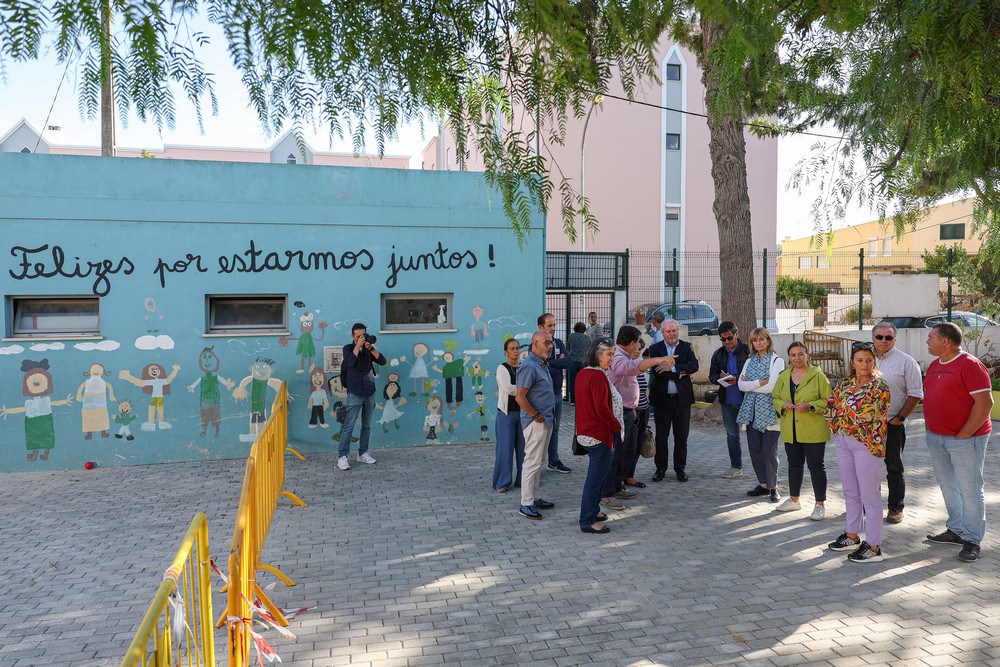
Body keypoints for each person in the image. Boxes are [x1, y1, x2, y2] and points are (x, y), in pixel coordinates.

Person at [923, 322, 992, 563]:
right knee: (948, 485)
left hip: (966, 439)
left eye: (931, 337)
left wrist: (964, 434)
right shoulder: (935, 365)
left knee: (970, 489)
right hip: (937, 437)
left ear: (945, 341)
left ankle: (972, 540)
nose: (927, 341)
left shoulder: (970, 365)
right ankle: (956, 529)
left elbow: (985, 403)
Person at [825, 341, 890, 563]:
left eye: (869, 360)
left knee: (869, 496)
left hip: (867, 445)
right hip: (843, 442)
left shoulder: (880, 386)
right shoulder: (844, 383)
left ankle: (873, 546)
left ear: (874, 362)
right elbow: (830, 406)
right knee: (850, 491)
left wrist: (842, 419)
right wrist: (837, 427)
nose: (864, 364)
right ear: (852, 362)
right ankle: (852, 535)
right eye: (860, 360)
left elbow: (867, 416)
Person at [602, 326, 673, 509]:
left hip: (627, 411)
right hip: (618, 413)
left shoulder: (623, 356)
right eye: (637, 344)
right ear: (632, 343)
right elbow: (629, 368)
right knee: (615, 454)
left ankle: (616, 486)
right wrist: (656, 360)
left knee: (625, 452)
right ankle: (606, 493)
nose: (639, 347)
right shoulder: (618, 357)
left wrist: (631, 407)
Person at [772, 342, 832, 520]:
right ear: (789, 357)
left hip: (813, 430)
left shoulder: (818, 376)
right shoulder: (784, 376)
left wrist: (810, 405)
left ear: (807, 355)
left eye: (800, 354)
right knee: (794, 464)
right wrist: (782, 404)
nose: (797, 358)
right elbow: (775, 397)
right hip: (791, 429)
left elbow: (829, 400)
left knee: (816, 466)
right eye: (793, 355)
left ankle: (819, 505)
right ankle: (794, 500)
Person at [871, 321, 923, 524]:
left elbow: (916, 394)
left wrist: (899, 419)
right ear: (873, 338)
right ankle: (869, 504)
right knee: (867, 467)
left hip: (892, 423)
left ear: (895, 338)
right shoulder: (865, 359)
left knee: (893, 467)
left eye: (888, 337)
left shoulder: (906, 362)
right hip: (866, 425)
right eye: (879, 337)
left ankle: (896, 507)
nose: (883, 341)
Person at [575, 337, 623, 533]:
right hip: (599, 435)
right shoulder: (597, 376)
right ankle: (587, 520)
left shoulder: (583, 373)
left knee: (598, 477)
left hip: (588, 432)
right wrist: (616, 427)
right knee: (595, 480)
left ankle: (593, 511)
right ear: (597, 354)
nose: (612, 358)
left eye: (613, 354)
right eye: (609, 354)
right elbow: (602, 408)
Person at [647, 319, 699, 482]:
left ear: (678, 331)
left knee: (681, 437)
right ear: (663, 333)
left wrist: (673, 368)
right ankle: (660, 469)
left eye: (674, 331)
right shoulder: (655, 349)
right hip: (662, 400)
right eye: (668, 331)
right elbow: (658, 372)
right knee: (661, 437)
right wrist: (681, 372)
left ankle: (680, 469)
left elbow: (694, 366)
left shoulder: (686, 347)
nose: (672, 334)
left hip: (682, 400)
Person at [514, 330, 557, 519]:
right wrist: (536, 415)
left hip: (545, 419)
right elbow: (520, 397)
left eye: (551, 342)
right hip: (536, 422)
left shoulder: (541, 364)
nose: (550, 345)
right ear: (535, 344)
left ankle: (535, 497)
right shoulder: (529, 365)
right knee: (532, 461)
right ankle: (526, 503)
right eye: (546, 342)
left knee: (539, 461)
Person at [738, 328, 785, 502]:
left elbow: (772, 387)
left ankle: (774, 486)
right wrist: (759, 382)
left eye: (762, 339)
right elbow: (740, 385)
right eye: (755, 340)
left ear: (768, 340)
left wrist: (751, 385)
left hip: (771, 411)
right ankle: (763, 484)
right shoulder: (749, 360)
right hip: (751, 411)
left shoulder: (777, 361)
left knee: (768, 450)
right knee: (755, 449)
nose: (758, 343)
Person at [336, 322, 387, 470]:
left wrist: (370, 348)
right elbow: (350, 362)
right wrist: (358, 346)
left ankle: (362, 453)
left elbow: (382, 361)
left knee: (367, 426)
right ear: (353, 336)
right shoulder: (348, 348)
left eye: (363, 335)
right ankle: (342, 456)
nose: (362, 338)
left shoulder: (368, 349)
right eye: (358, 336)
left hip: (369, 391)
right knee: (349, 425)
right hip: (355, 392)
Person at [708, 321, 750, 478]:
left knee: (756, 435)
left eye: (729, 338)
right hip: (726, 401)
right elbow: (711, 375)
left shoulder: (748, 351)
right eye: (723, 339)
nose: (727, 342)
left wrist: (737, 379)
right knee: (732, 436)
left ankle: (765, 469)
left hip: (747, 400)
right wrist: (719, 377)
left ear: (737, 334)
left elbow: (755, 373)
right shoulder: (718, 354)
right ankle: (736, 467)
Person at [538, 313, 572, 474]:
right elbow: (540, 369)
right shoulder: (536, 345)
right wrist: (558, 363)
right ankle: (536, 464)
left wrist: (550, 363)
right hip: (543, 397)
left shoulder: (558, 343)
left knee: (555, 429)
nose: (553, 328)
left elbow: (568, 361)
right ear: (541, 327)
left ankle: (554, 460)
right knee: (541, 431)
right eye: (549, 325)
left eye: (554, 325)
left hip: (558, 394)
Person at [493, 338, 526, 493]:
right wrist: (525, 389)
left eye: (517, 348)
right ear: (506, 352)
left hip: (523, 413)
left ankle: (523, 480)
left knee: (524, 450)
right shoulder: (502, 368)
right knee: (505, 450)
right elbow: (508, 388)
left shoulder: (524, 367)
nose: (515, 351)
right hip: (506, 414)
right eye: (512, 349)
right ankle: (502, 482)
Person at [624, 338, 651, 489]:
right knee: (629, 446)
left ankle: (630, 476)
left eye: (640, 349)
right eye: (635, 349)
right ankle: (620, 477)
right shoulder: (625, 366)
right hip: (631, 412)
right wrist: (632, 408)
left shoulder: (639, 367)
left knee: (638, 445)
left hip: (643, 410)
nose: (637, 352)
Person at [567, 322, 590, 404]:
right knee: (583, 382)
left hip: (572, 361)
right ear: (584, 329)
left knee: (572, 381)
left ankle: (572, 400)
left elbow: (568, 348)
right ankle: (582, 399)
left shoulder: (571, 336)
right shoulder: (587, 338)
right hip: (583, 362)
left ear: (575, 328)